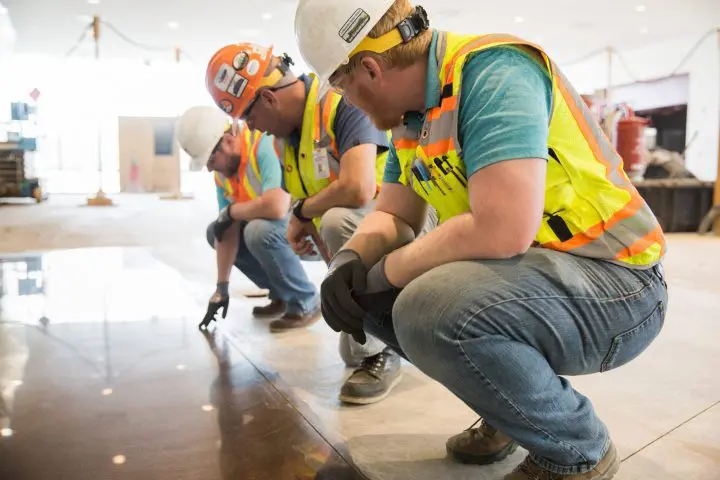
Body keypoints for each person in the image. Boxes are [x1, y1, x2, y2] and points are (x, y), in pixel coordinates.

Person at [294, 1, 668, 479]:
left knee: (424, 305)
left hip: (619, 283)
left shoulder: (495, 73)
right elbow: (392, 213)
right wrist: (349, 261)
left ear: (370, 69)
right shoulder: (415, 116)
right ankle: (513, 415)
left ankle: (576, 451)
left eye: (343, 89)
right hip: (537, 277)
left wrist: (385, 274)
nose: (349, 104)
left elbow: (501, 228)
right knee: (375, 298)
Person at [204, 43, 410, 405]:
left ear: (268, 98)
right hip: (352, 235)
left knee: (335, 218)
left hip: (403, 222)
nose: (254, 129)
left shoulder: (339, 101)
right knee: (352, 349)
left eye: (249, 118)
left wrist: (302, 215)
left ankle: (385, 351)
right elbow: (306, 203)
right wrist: (308, 232)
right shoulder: (285, 138)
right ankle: (380, 333)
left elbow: (358, 188)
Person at [175, 106, 321, 331]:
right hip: (281, 234)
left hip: (310, 233)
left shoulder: (264, 144)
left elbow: (277, 207)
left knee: (257, 231)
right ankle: (282, 295)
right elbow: (225, 229)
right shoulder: (223, 175)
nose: (209, 169)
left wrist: (233, 211)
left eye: (211, 160)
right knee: (215, 231)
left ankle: (305, 301)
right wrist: (221, 288)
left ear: (228, 142)